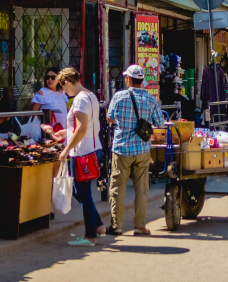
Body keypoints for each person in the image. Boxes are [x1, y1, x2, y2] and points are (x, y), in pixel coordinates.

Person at [106, 64, 165, 236]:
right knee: (142, 189)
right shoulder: (151, 99)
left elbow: (110, 118)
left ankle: (116, 226)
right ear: (142, 81)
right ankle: (140, 226)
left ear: (128, 79)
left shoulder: (119, 97)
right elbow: (160, 124)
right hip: (142, 149)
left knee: (117, 188)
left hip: (121, 149)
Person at [57, 67, 106, 246]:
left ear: (67, 82)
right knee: (81, 192)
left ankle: (90, 236)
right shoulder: (91, 96)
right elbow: (84, 127)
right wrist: (65, 133)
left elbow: (82, 128)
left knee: (83, 194)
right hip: (91, 148)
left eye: (63, 88)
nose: (64, 92)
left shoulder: (79, 100)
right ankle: (98, 226)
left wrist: (65, 149)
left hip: (82, 152)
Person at [31, 67, 69, 132]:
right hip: (47, 131)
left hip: (63, 129)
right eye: (47, 77)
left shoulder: (62, 93)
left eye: (53, 77)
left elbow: (66, 111)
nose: (50, 80)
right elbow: (33, 114)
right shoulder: (42, 92)